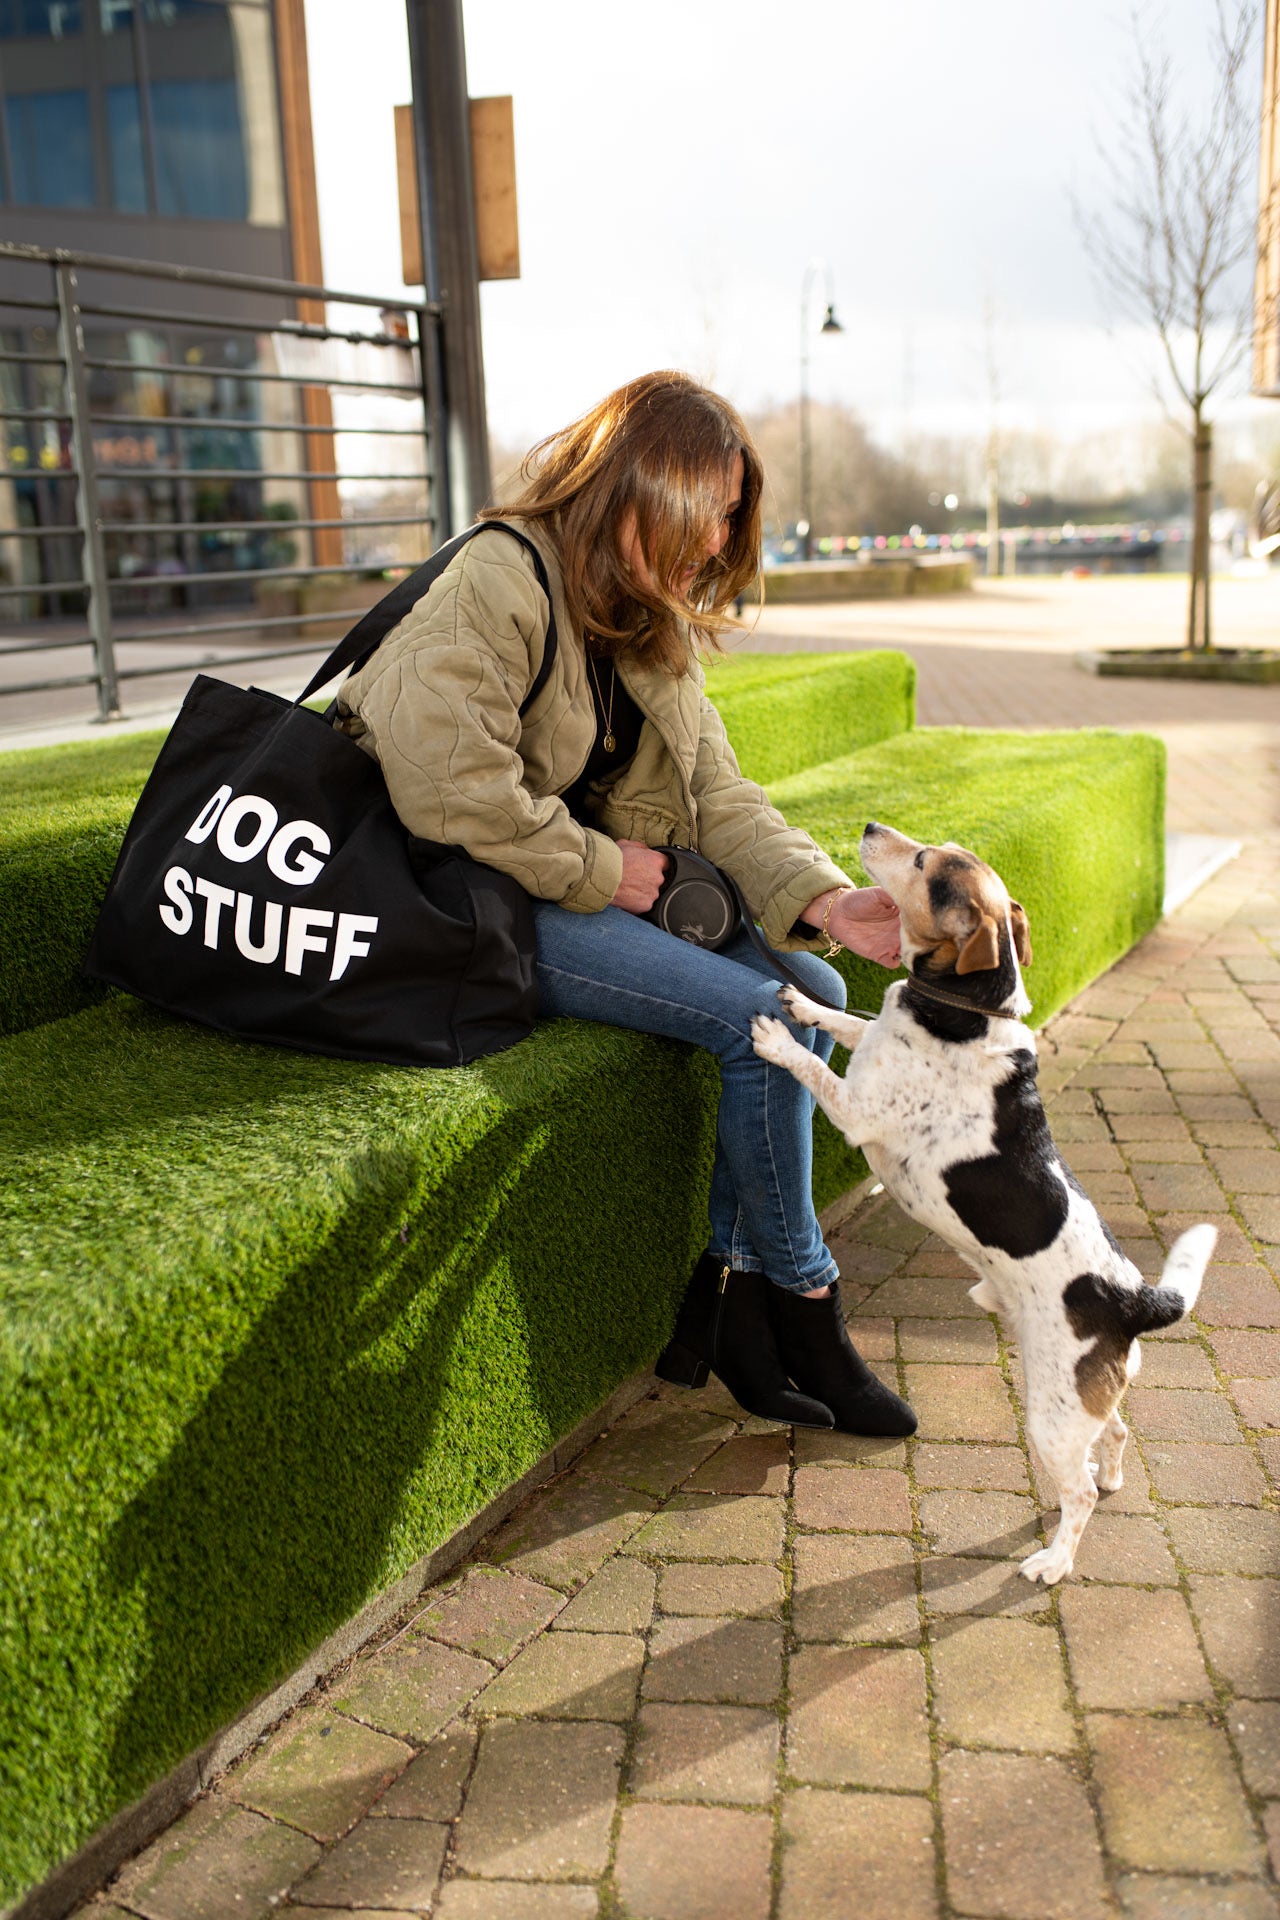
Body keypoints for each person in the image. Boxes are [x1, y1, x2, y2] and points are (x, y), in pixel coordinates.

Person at [335, 370, 915, 1438]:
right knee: (766, 1026)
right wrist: (603, 871)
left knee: (815, 981)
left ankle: (728, 1310)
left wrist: (824, 900)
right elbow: (444, 785)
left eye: (731, 521)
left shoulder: (649, 619)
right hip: (477, 900)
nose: (714, 544)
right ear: (639, 487)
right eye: (710, 515)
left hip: (557, 880)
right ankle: (801, 1303)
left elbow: (716, 795)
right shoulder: (497, 580)